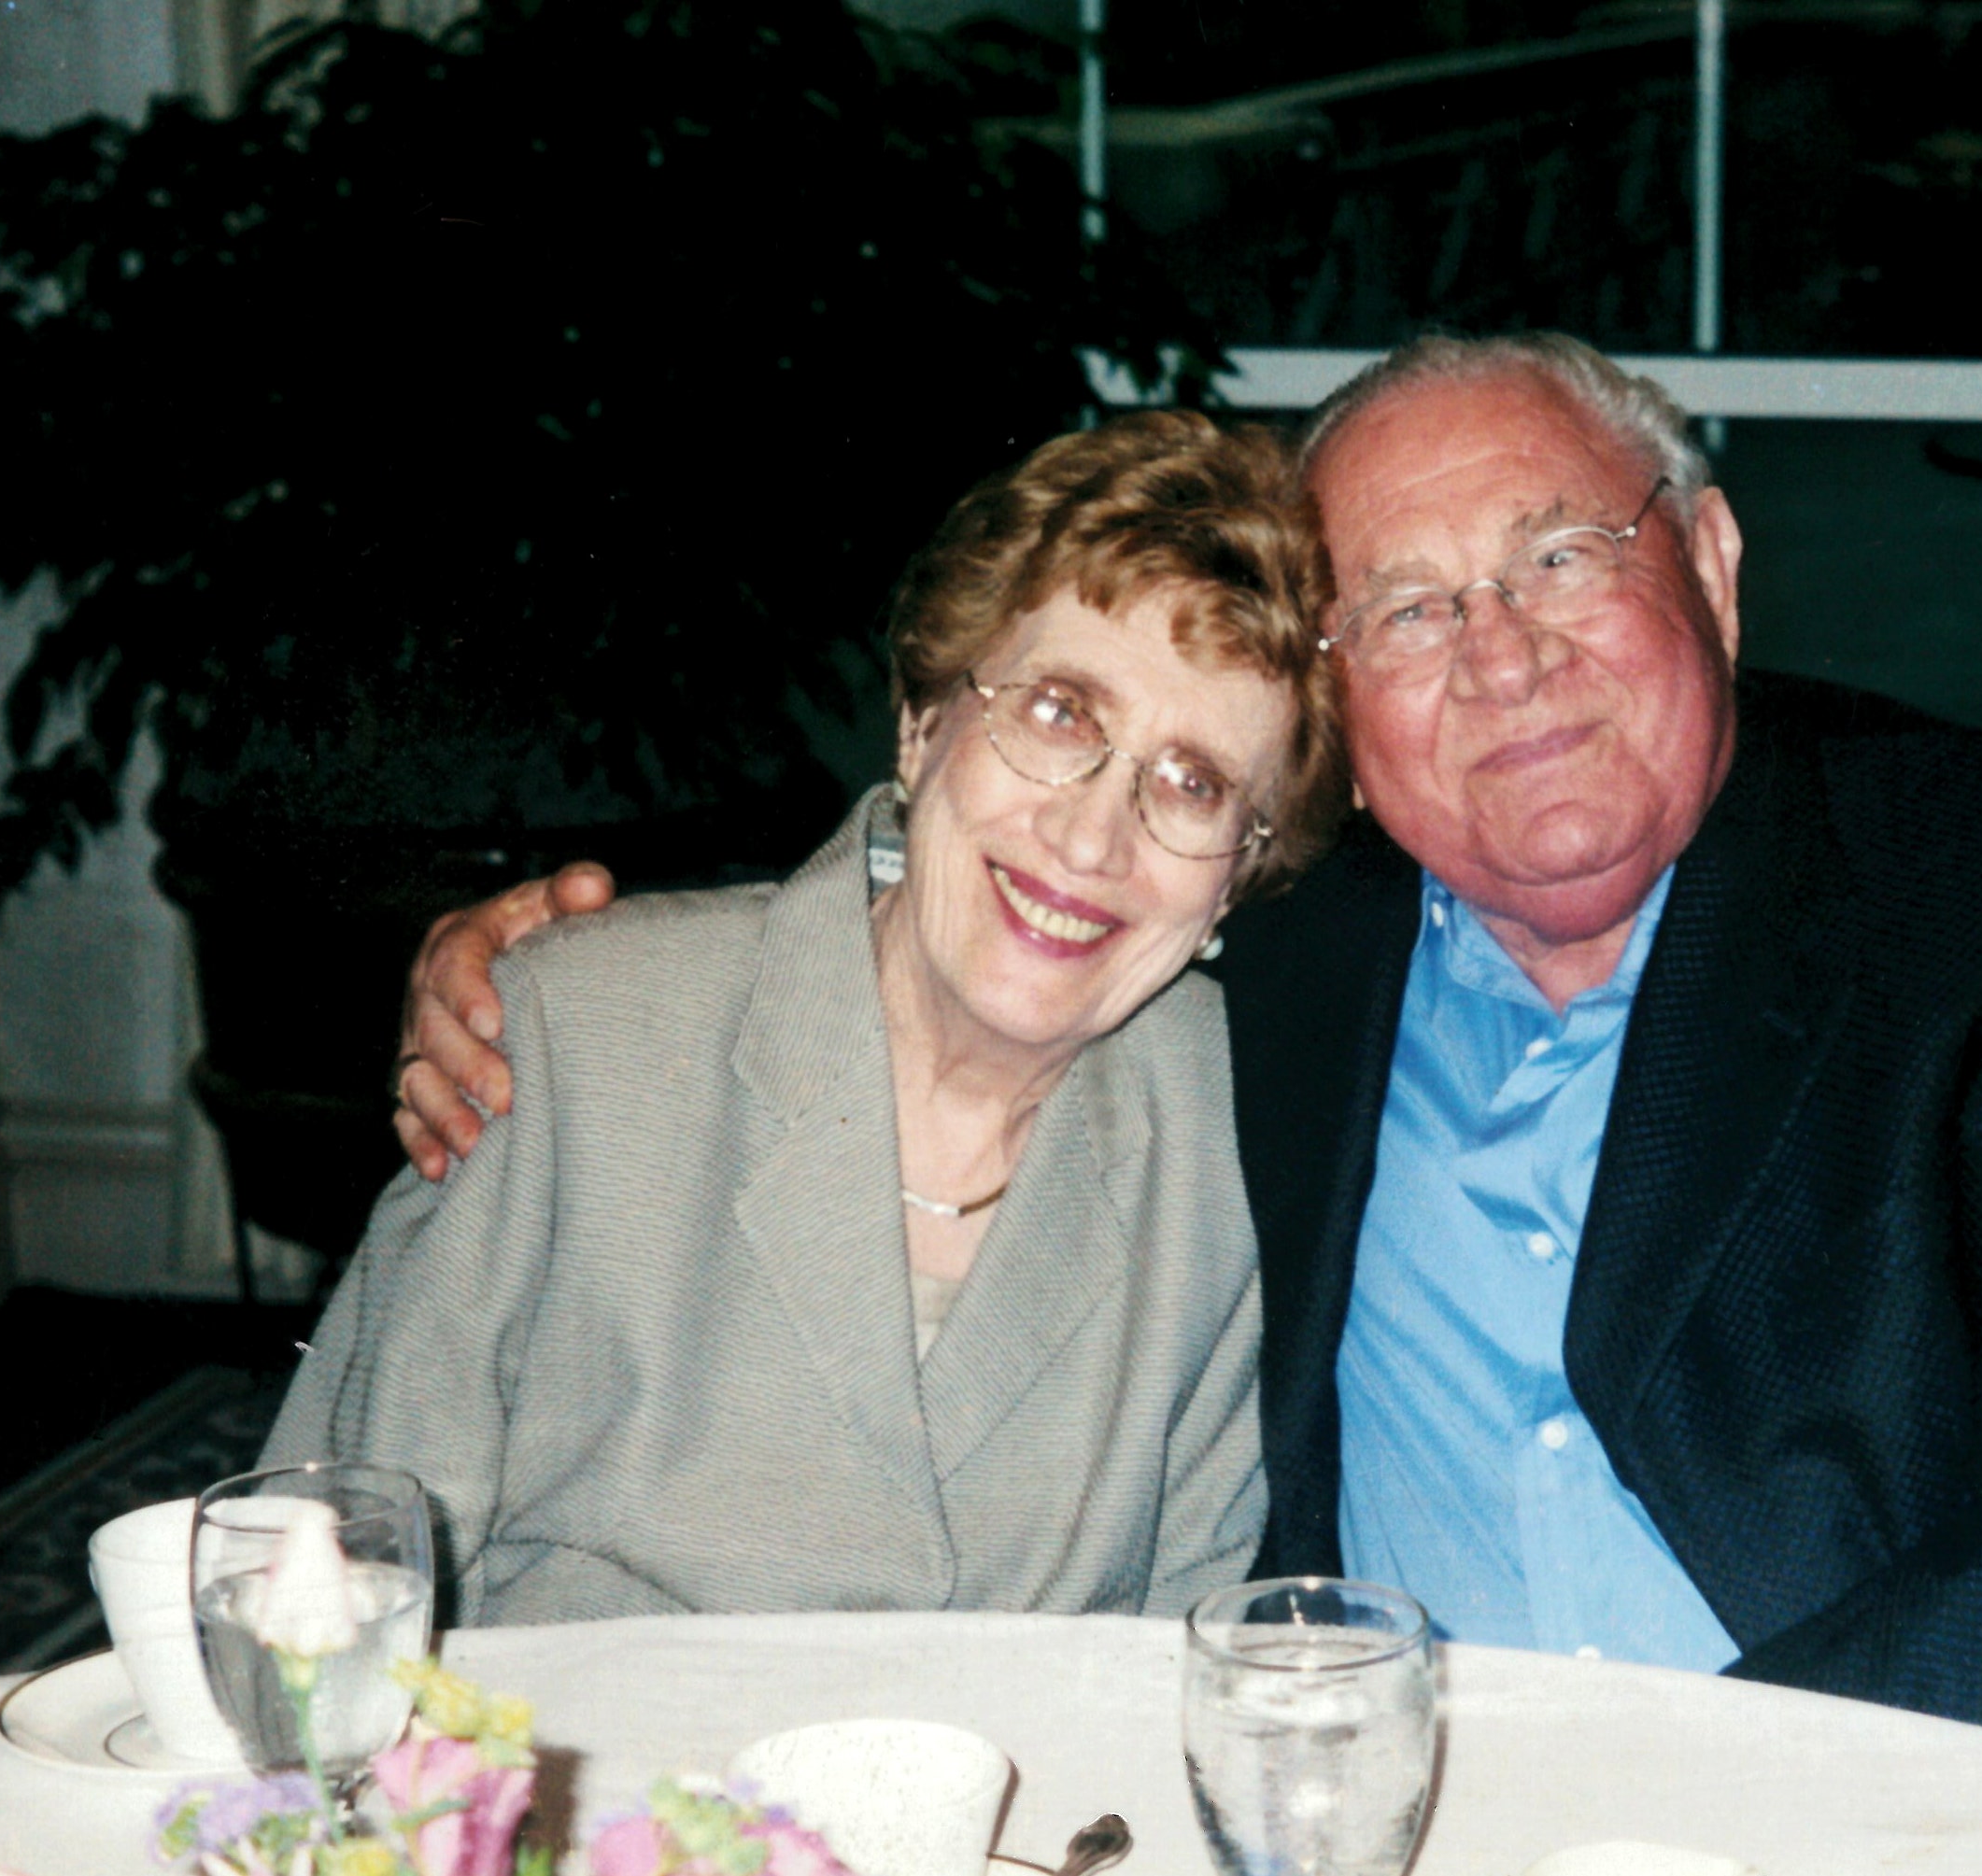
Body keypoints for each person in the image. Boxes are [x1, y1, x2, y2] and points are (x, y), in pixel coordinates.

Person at [390, 337, 1982, 1868]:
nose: (1498, 656)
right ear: (1332, 725)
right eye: (1408, 610)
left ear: (1705, 559)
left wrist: (1660, 1795)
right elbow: (1030, 838)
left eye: (1557, 556)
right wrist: (559, 964)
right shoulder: (1277, 931)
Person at [266, 410, 1346, 1626]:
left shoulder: (1230, 1122)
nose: (1095, 836)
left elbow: (1184, 1650)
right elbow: (327, 1589)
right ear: (926, 719)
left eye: (1193, 783)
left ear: (1235, 881)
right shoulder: (577, 1036)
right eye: (1059, 714)